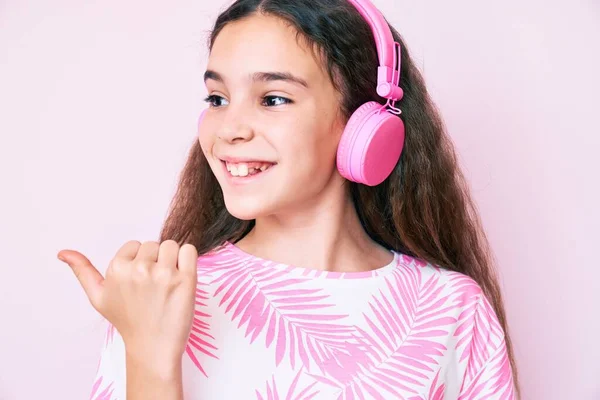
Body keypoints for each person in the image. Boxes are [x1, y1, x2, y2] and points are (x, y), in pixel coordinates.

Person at [57, 0, 520, 398]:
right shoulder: (160, 296)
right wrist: (150, 361)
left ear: (365, 125)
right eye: (217, 98)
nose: (230, 129)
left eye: (273, 99)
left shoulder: (453, 308)